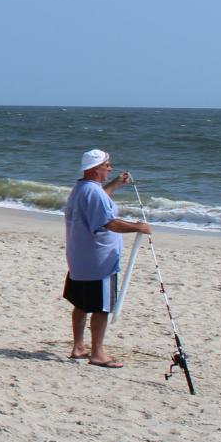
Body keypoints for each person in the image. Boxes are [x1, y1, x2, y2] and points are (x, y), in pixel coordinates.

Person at [63, 148, 149, 368]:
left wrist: (116, 183)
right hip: (98, 261)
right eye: (107, 165)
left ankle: (78, 347)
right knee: (101, 308)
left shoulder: (83, 188)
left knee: (81, 304)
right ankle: (98, 353)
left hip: (80, 259)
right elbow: (108, 222)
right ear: (94, 169)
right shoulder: (92, 192)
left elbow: (99, 200)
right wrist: (138, 227)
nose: (110, 168)